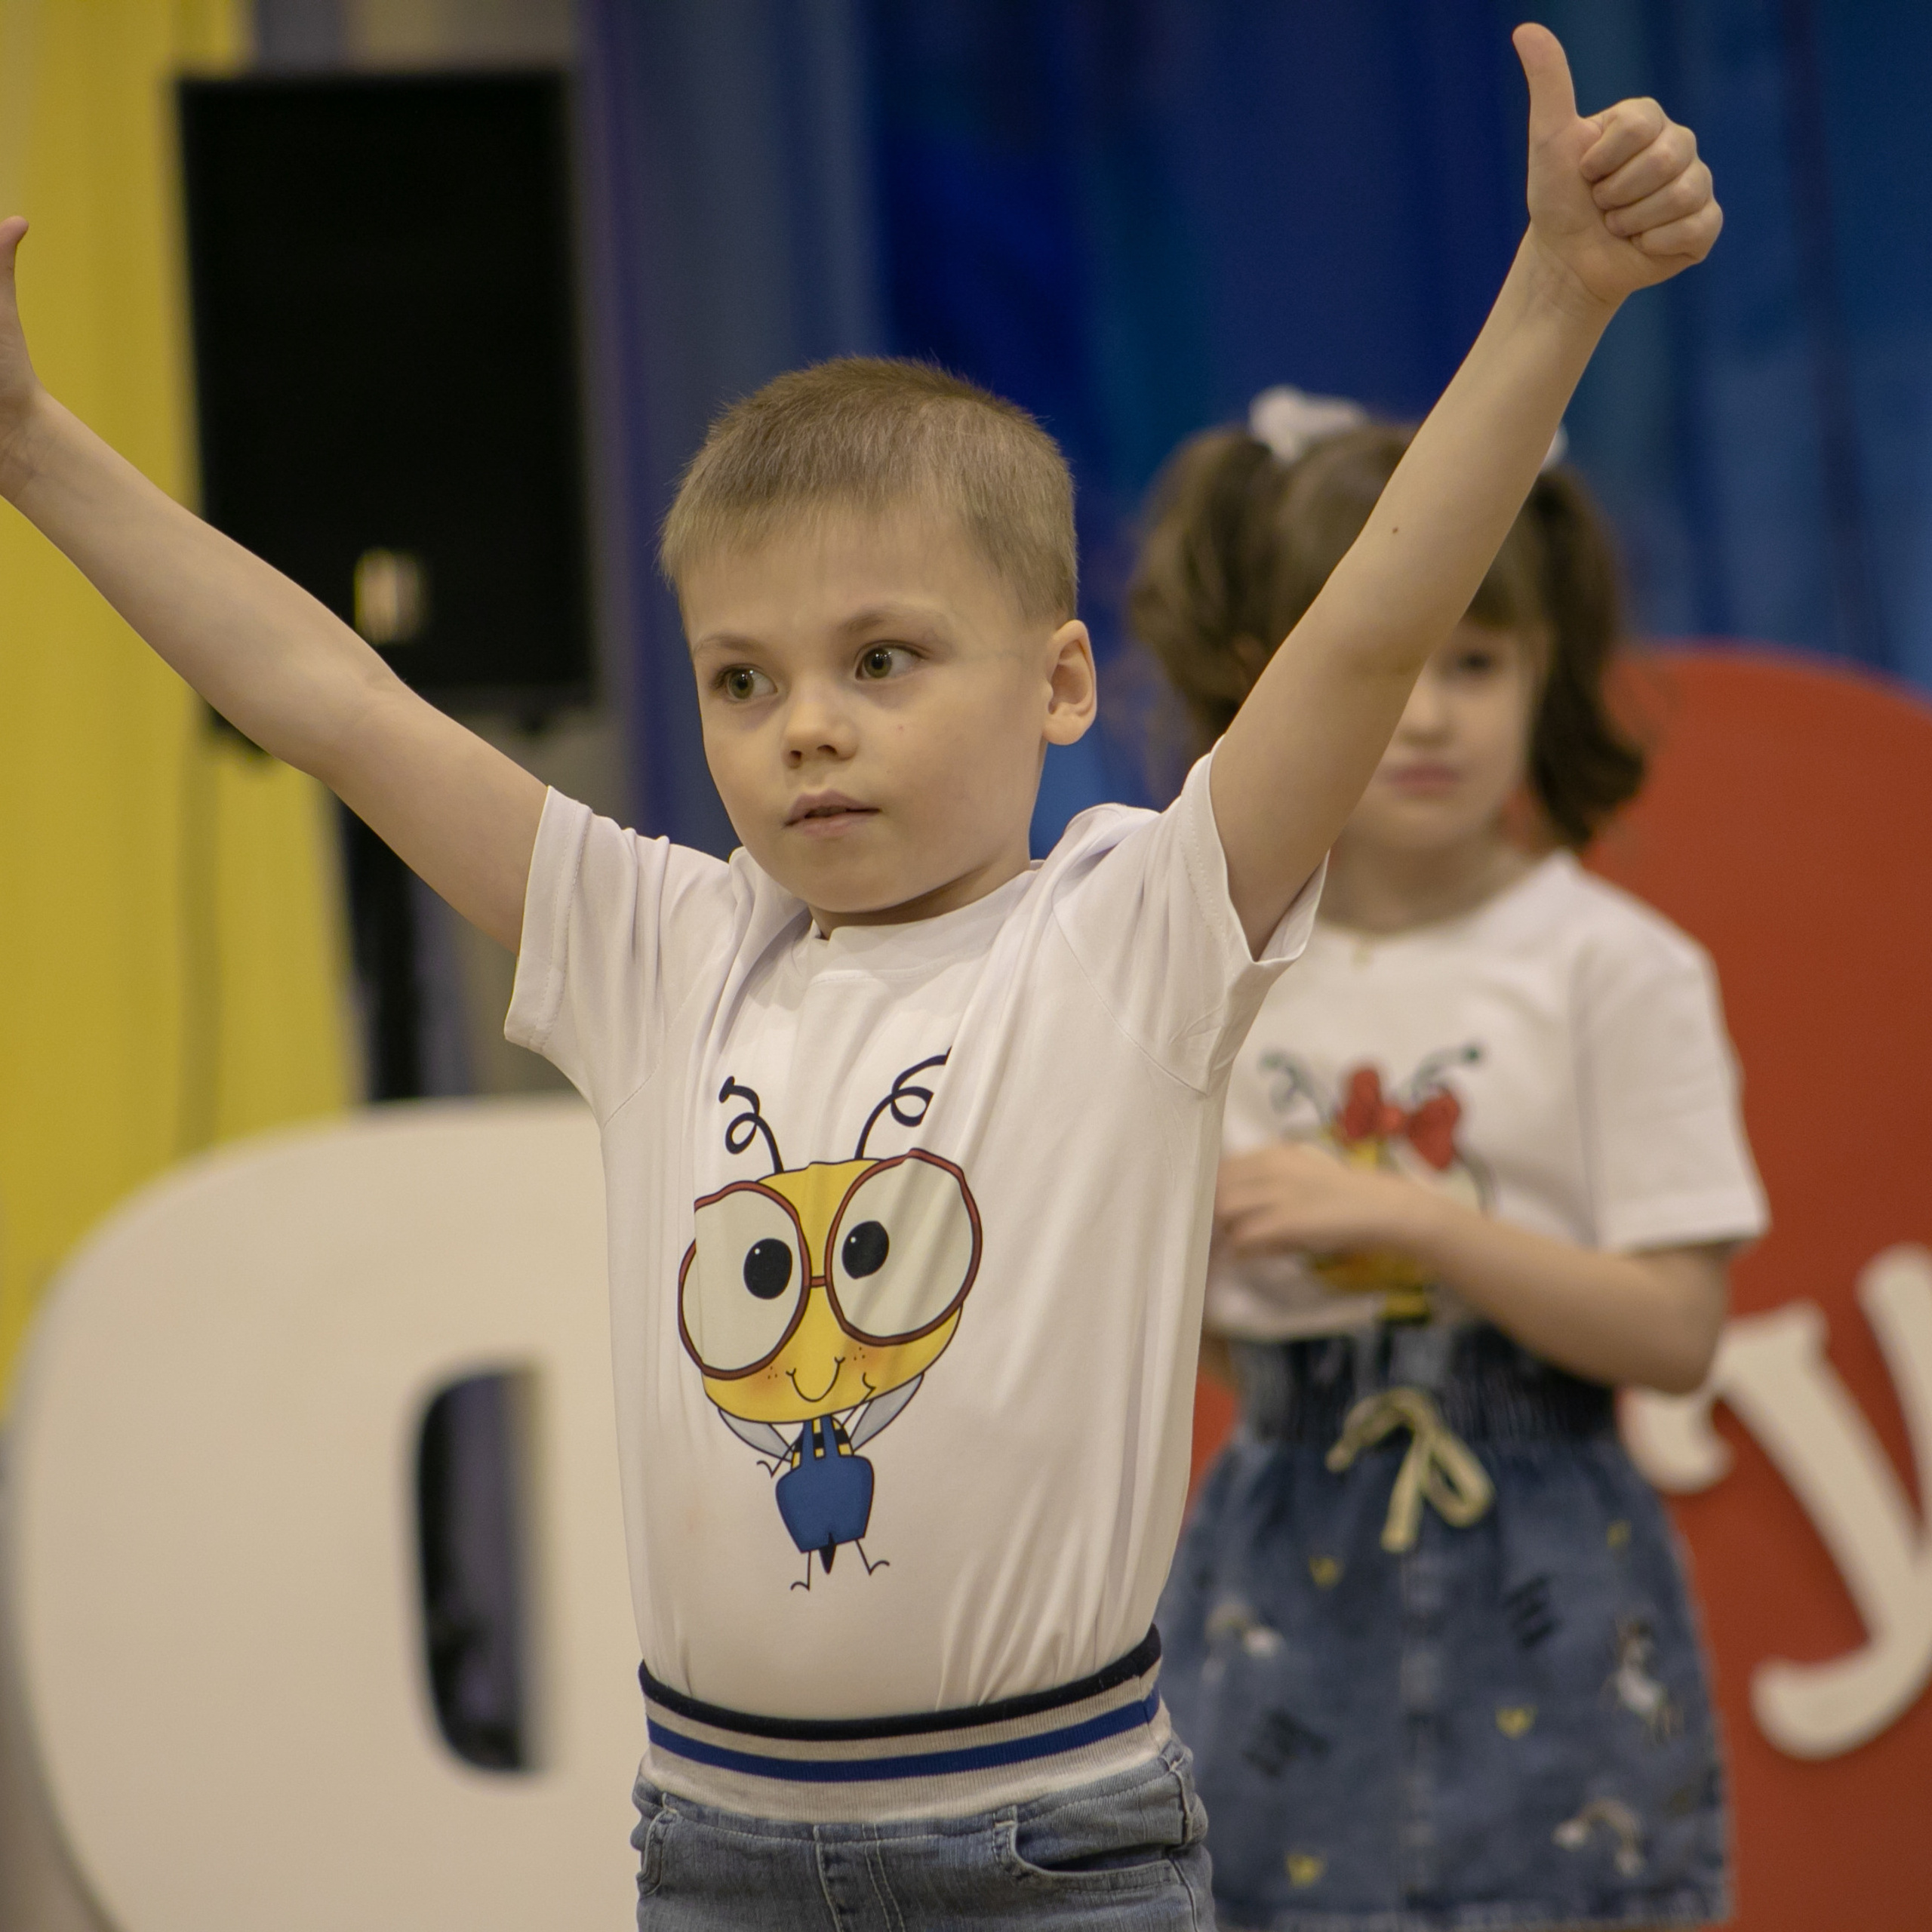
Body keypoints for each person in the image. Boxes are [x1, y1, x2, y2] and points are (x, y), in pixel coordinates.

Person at [0, 27, 1721, 1929]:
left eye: (882, 659)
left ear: (1062, 683)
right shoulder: (660, 947)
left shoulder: (1132, 929)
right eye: (742, 678)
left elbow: (1371, 623)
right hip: (715, 1852)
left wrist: (1555, 296)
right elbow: (328, 698)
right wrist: (31, 445)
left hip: (1055, 1854)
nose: (804, 727)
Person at [1134, 398, 1764, 1932]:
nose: (1419, 715)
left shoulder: (1613, 966)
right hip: (1272, 1538)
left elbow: (1674, 1332)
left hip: (1545, 1538)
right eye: (1378, 663)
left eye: (1472, 661)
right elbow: (1183, 1331)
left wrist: (1404, 1222)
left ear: (1545, 672)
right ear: (1260, 676)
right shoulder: (1198, 959)